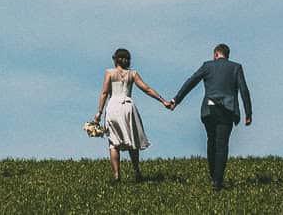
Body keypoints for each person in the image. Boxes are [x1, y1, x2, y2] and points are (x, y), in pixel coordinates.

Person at [167, 43, 251, 190]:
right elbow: (244, 90)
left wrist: (176, 100)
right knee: (222, 145)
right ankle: (217, 181)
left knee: (211, 141)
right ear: (227, 55)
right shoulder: (236, 67)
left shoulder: (207, 66)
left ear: (215, 54)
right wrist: (248, 113)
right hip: (227, 109)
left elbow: (191, 82)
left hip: (210, 108)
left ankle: (214, 176)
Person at [93, 47, 168, 182]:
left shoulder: (109, 73)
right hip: (128, 107)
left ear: (115, 59)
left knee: (113, 142)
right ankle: (137, 171)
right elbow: (147, 89)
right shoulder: (132, 74)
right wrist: (162, 100)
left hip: (114, 107)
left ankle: (116, 175)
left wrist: (99, 112)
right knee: (132, 140)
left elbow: (104, 93)